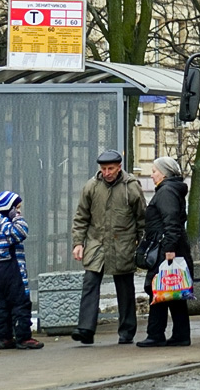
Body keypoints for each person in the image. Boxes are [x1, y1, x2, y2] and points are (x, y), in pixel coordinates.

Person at [71, 149, 147, 345]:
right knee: (90, 282)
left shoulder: (131, 187)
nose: (107, 172)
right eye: (103, 169)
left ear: (119, 167)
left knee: (125, 289)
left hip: (123, 245)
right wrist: (78, 243)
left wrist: (143, 245)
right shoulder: (92, 187)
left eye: (110, 168)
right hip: (97, 243)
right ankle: (85, 329)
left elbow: (142, 219)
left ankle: (127, 331)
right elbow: (81, 217)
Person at [138, 156, 192, 348]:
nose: (151, 175)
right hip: (171, 247)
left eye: (154, 171)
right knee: (173, 292)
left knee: (158, 289)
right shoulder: (170, 190)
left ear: (164, 173)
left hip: (166, 250)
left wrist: (169, 250)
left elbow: (171, 222)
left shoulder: (166, 192)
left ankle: (156, 334)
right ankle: (180, 334)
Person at [0, 191, 43, 350]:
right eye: (17, 208)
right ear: (9, 208)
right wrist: (16, 218)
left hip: (0, 268)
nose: (19, 211)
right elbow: (21, 232)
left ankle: (5, 337)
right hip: (11, 268)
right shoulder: (6, 223)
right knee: (21, 301)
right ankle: (23, 337)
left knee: (4, 303)